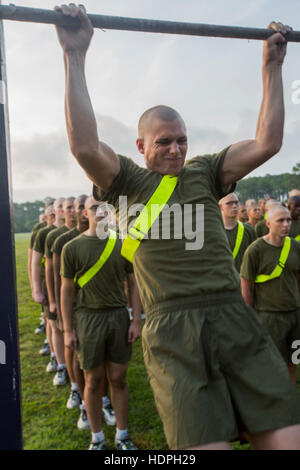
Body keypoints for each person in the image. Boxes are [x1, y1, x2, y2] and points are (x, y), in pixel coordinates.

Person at [55, 5, 300, 450]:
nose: (175, 148)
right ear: (141, 145)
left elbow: (268, 142)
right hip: (173, 329)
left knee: (287, 438)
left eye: (181, 139)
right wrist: (74, 57)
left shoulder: (206, 171)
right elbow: (85, 144)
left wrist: (272, 66)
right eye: (164, 141)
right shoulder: (126, 181)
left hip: (233, 317)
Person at [60, 196, 141, 450]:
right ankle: (97, 438)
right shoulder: (72, 248)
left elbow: (134, 283)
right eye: (96, 208)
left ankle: (122, 435)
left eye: (107, 208)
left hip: (118, 315)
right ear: (86, 213)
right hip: (88, 318)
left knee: (118, 378)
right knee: (93, 380)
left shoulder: (122, 243)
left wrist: (135, 319)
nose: (102, 212)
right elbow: (66, 290)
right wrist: (68, 329)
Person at [240, 205, 300, 383]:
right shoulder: (255, 250)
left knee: (294, 359)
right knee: (272, 362)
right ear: (268, 223)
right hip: (269, 315)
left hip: (295, 313)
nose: (286, 224)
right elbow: (246, 285)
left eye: (288, 220)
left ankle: (289, 395)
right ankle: (272, 399)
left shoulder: (296, 247)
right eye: (280, 220)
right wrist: (250, 317)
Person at [45, 197, 77, 386]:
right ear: (62, 212)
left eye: (76, 207)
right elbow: (50, 271)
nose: (73, 211)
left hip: (80, 298)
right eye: (69, 208)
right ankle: (60, 364)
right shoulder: (53, 236)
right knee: (58, 328)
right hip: (58, 292)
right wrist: (52, 299)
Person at [219, 193, 256, 272]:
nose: (234, 206)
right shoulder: (214, 231)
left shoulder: (249, 230)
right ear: (220, 207)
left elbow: (256, 256)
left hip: (245, 279)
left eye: (236, 202)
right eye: (229, 203)